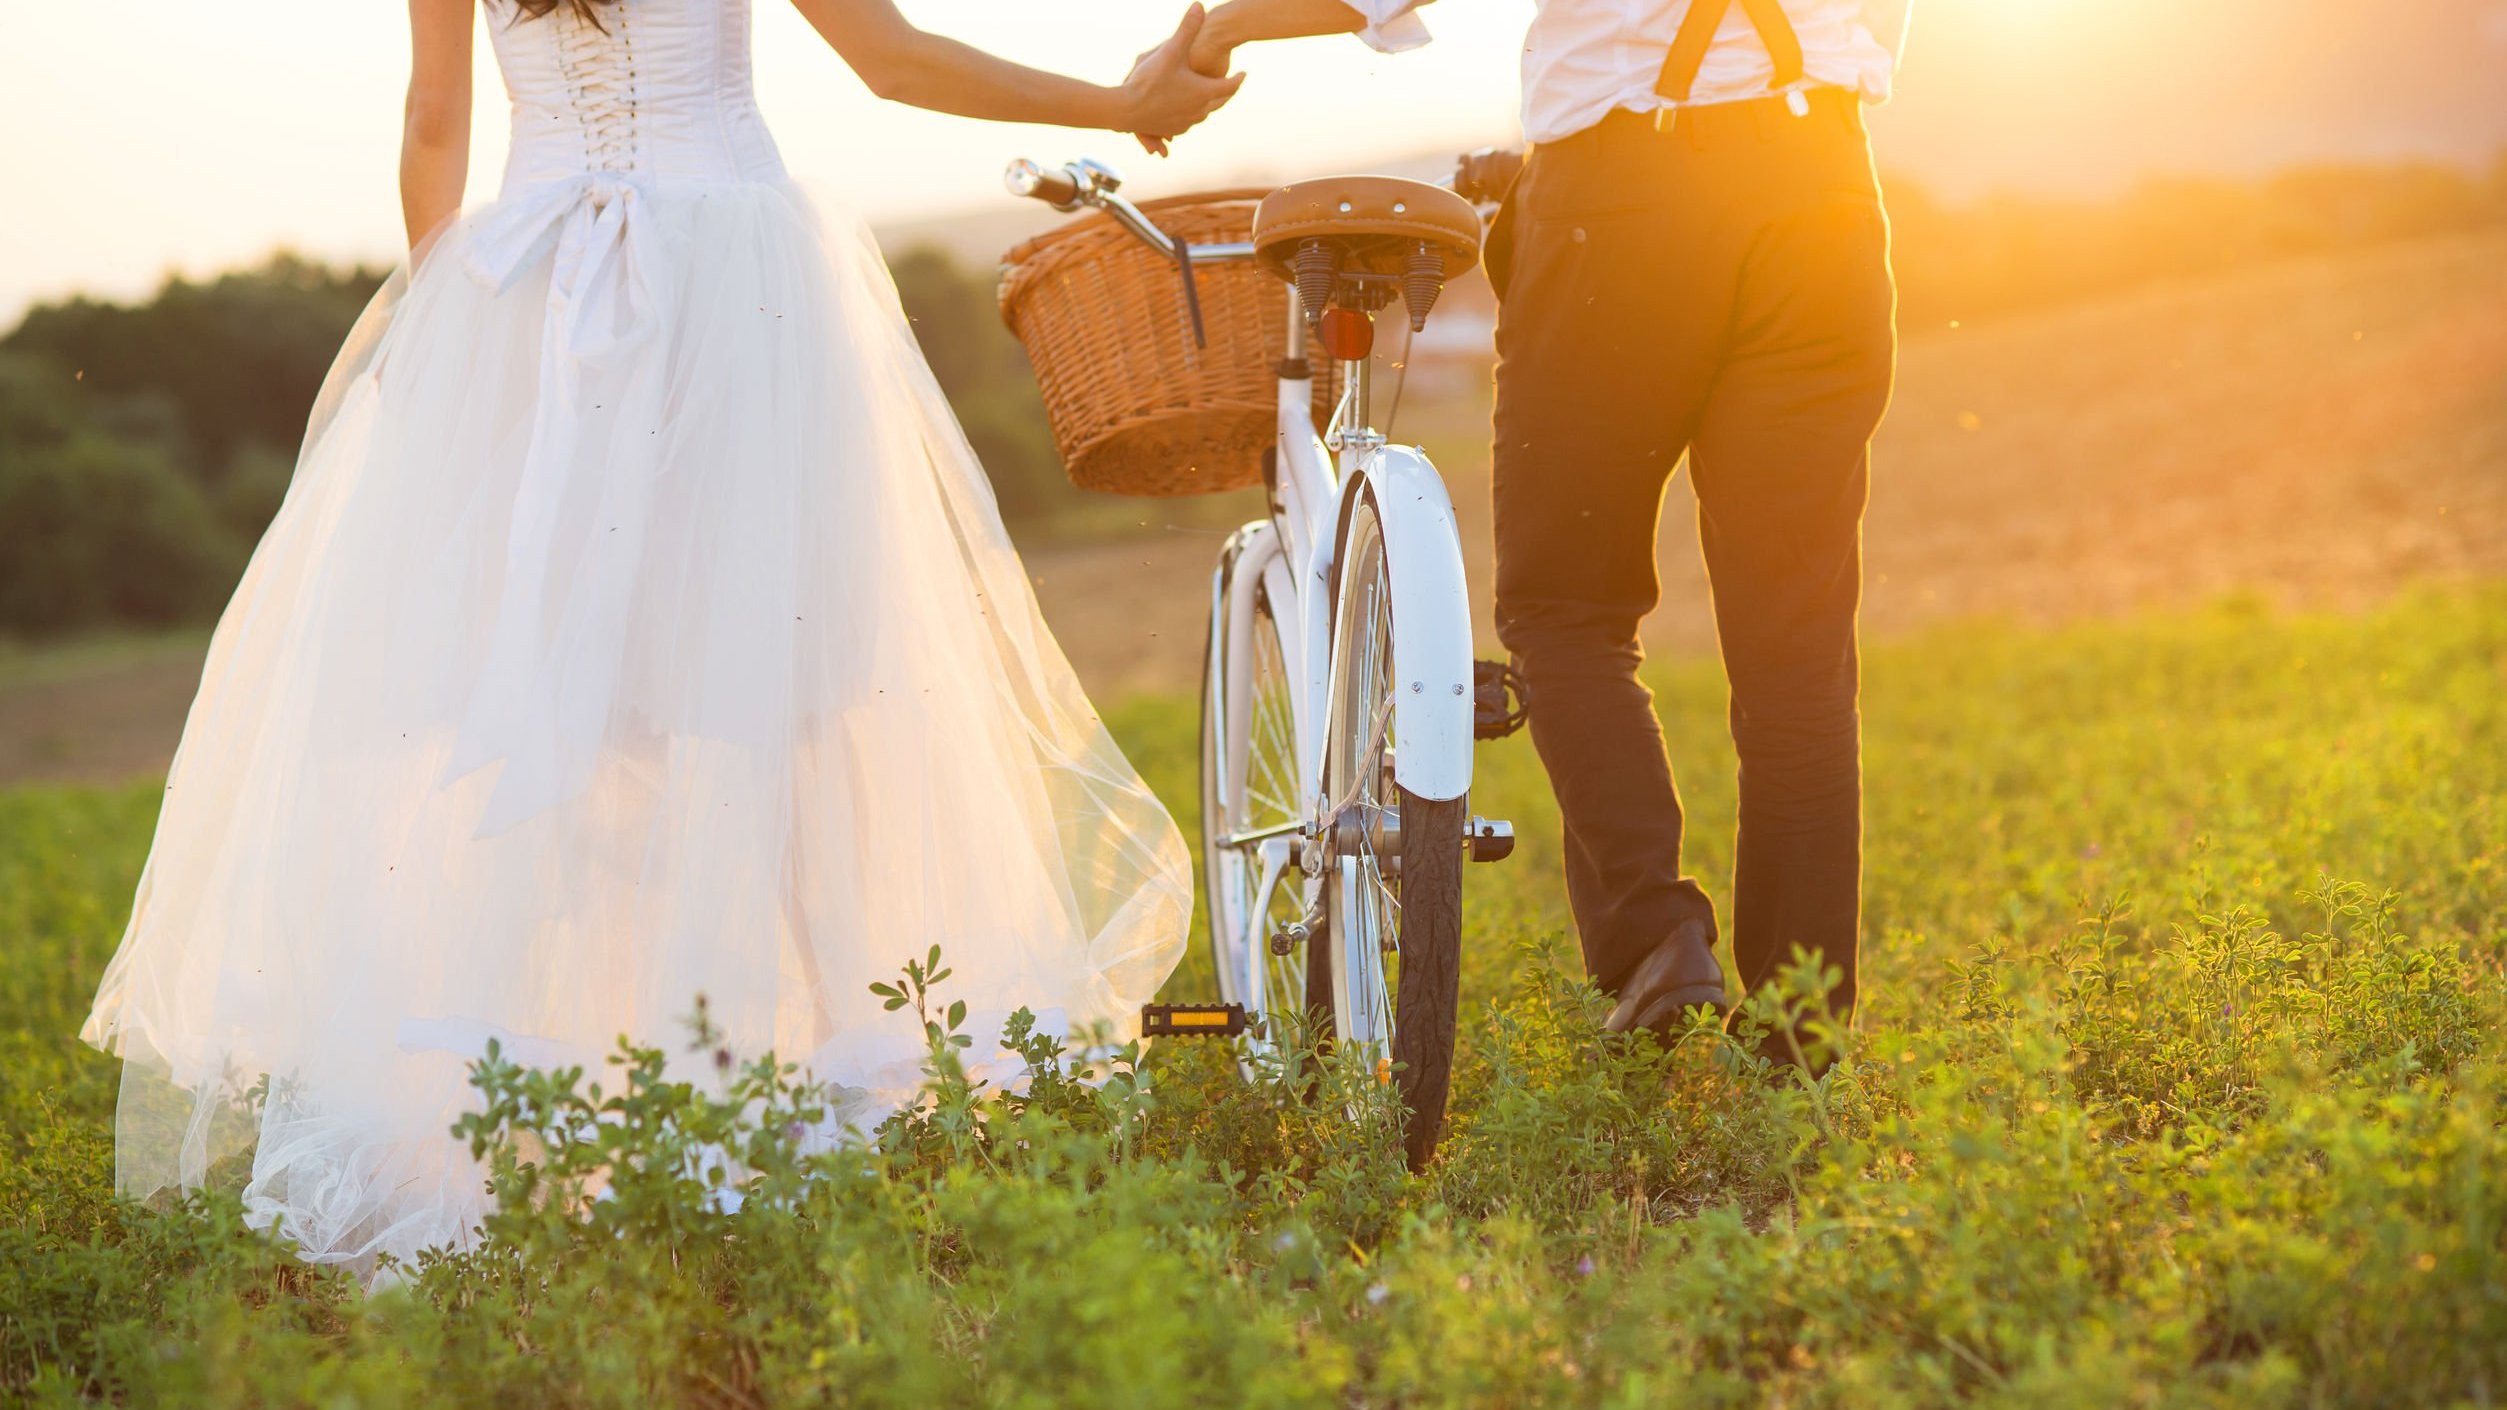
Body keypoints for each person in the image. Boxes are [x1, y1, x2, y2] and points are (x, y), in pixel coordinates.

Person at [77, 0, 1239, 1275]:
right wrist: (1127, 106)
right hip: (736, 285)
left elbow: (432, 122)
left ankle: (550, 1093)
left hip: (534, 290)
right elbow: (894, 61)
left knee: (567, 699)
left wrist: (450, 330)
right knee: (785, 698)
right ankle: (829, 1083)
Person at [1191, 0, 1909, 1066]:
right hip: (1823, 192)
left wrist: (1211, 35)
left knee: (1565, 610)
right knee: (1796, 654)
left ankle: (1654, 941)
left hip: (1626, 203)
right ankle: (1799, 1039)